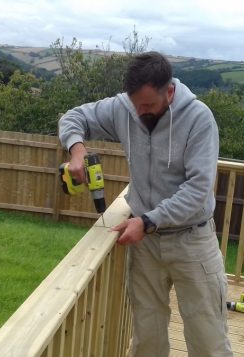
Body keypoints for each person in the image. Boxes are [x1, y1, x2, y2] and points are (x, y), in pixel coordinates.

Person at [58, 51, 232, 357]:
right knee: (146, 338)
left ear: (170, 91)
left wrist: (148, 220)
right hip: (146, 248)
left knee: (209, 340)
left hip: (192, 241)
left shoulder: (198, 119)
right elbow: (74, 117)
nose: (140, 112)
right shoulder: (126, 108)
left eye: (148, 105)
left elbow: (198, 189)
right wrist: (76, 149)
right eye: (135, 104)